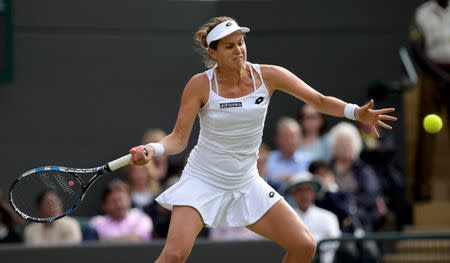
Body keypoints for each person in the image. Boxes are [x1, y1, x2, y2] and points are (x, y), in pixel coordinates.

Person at [129, 16, 396, 263]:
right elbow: (178, 138)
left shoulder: (269, 75)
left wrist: (354, 112)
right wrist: (153, 149)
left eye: (241, 43)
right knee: (174, 256)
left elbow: (319, 101)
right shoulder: (199, 85)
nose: (239, 50)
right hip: (203, 179)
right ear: (213, 53)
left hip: (246, 182)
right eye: (230, 46)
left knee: (304, 245)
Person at [409, 0, 450, 200]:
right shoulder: (422, 13)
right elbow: (415, 47)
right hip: (432, 74)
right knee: (426, 135)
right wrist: (438, 75)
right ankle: (422, 190)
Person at [285, 171, 341, 263]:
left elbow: (333, 242)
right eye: (299, 191)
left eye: (308, 190)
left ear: (314, 193)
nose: (304, 195)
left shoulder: (328, 217)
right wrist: (319, 238)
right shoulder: (285, 218)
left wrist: (300, 242)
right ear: (293, 194)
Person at [89, 179, 153, 242]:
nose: (119, 205)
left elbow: (138, 239)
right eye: (114, 201)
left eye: (121, 199)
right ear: (105, 205)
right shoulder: (97, 223)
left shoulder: (142, 218)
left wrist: (106, 240)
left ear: (129, 199)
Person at [266, 117, 313, 193]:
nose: (291, 140)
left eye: (295, 136)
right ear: (278, 138)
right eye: (287, 136)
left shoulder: (310, 161)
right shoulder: (267, 159)